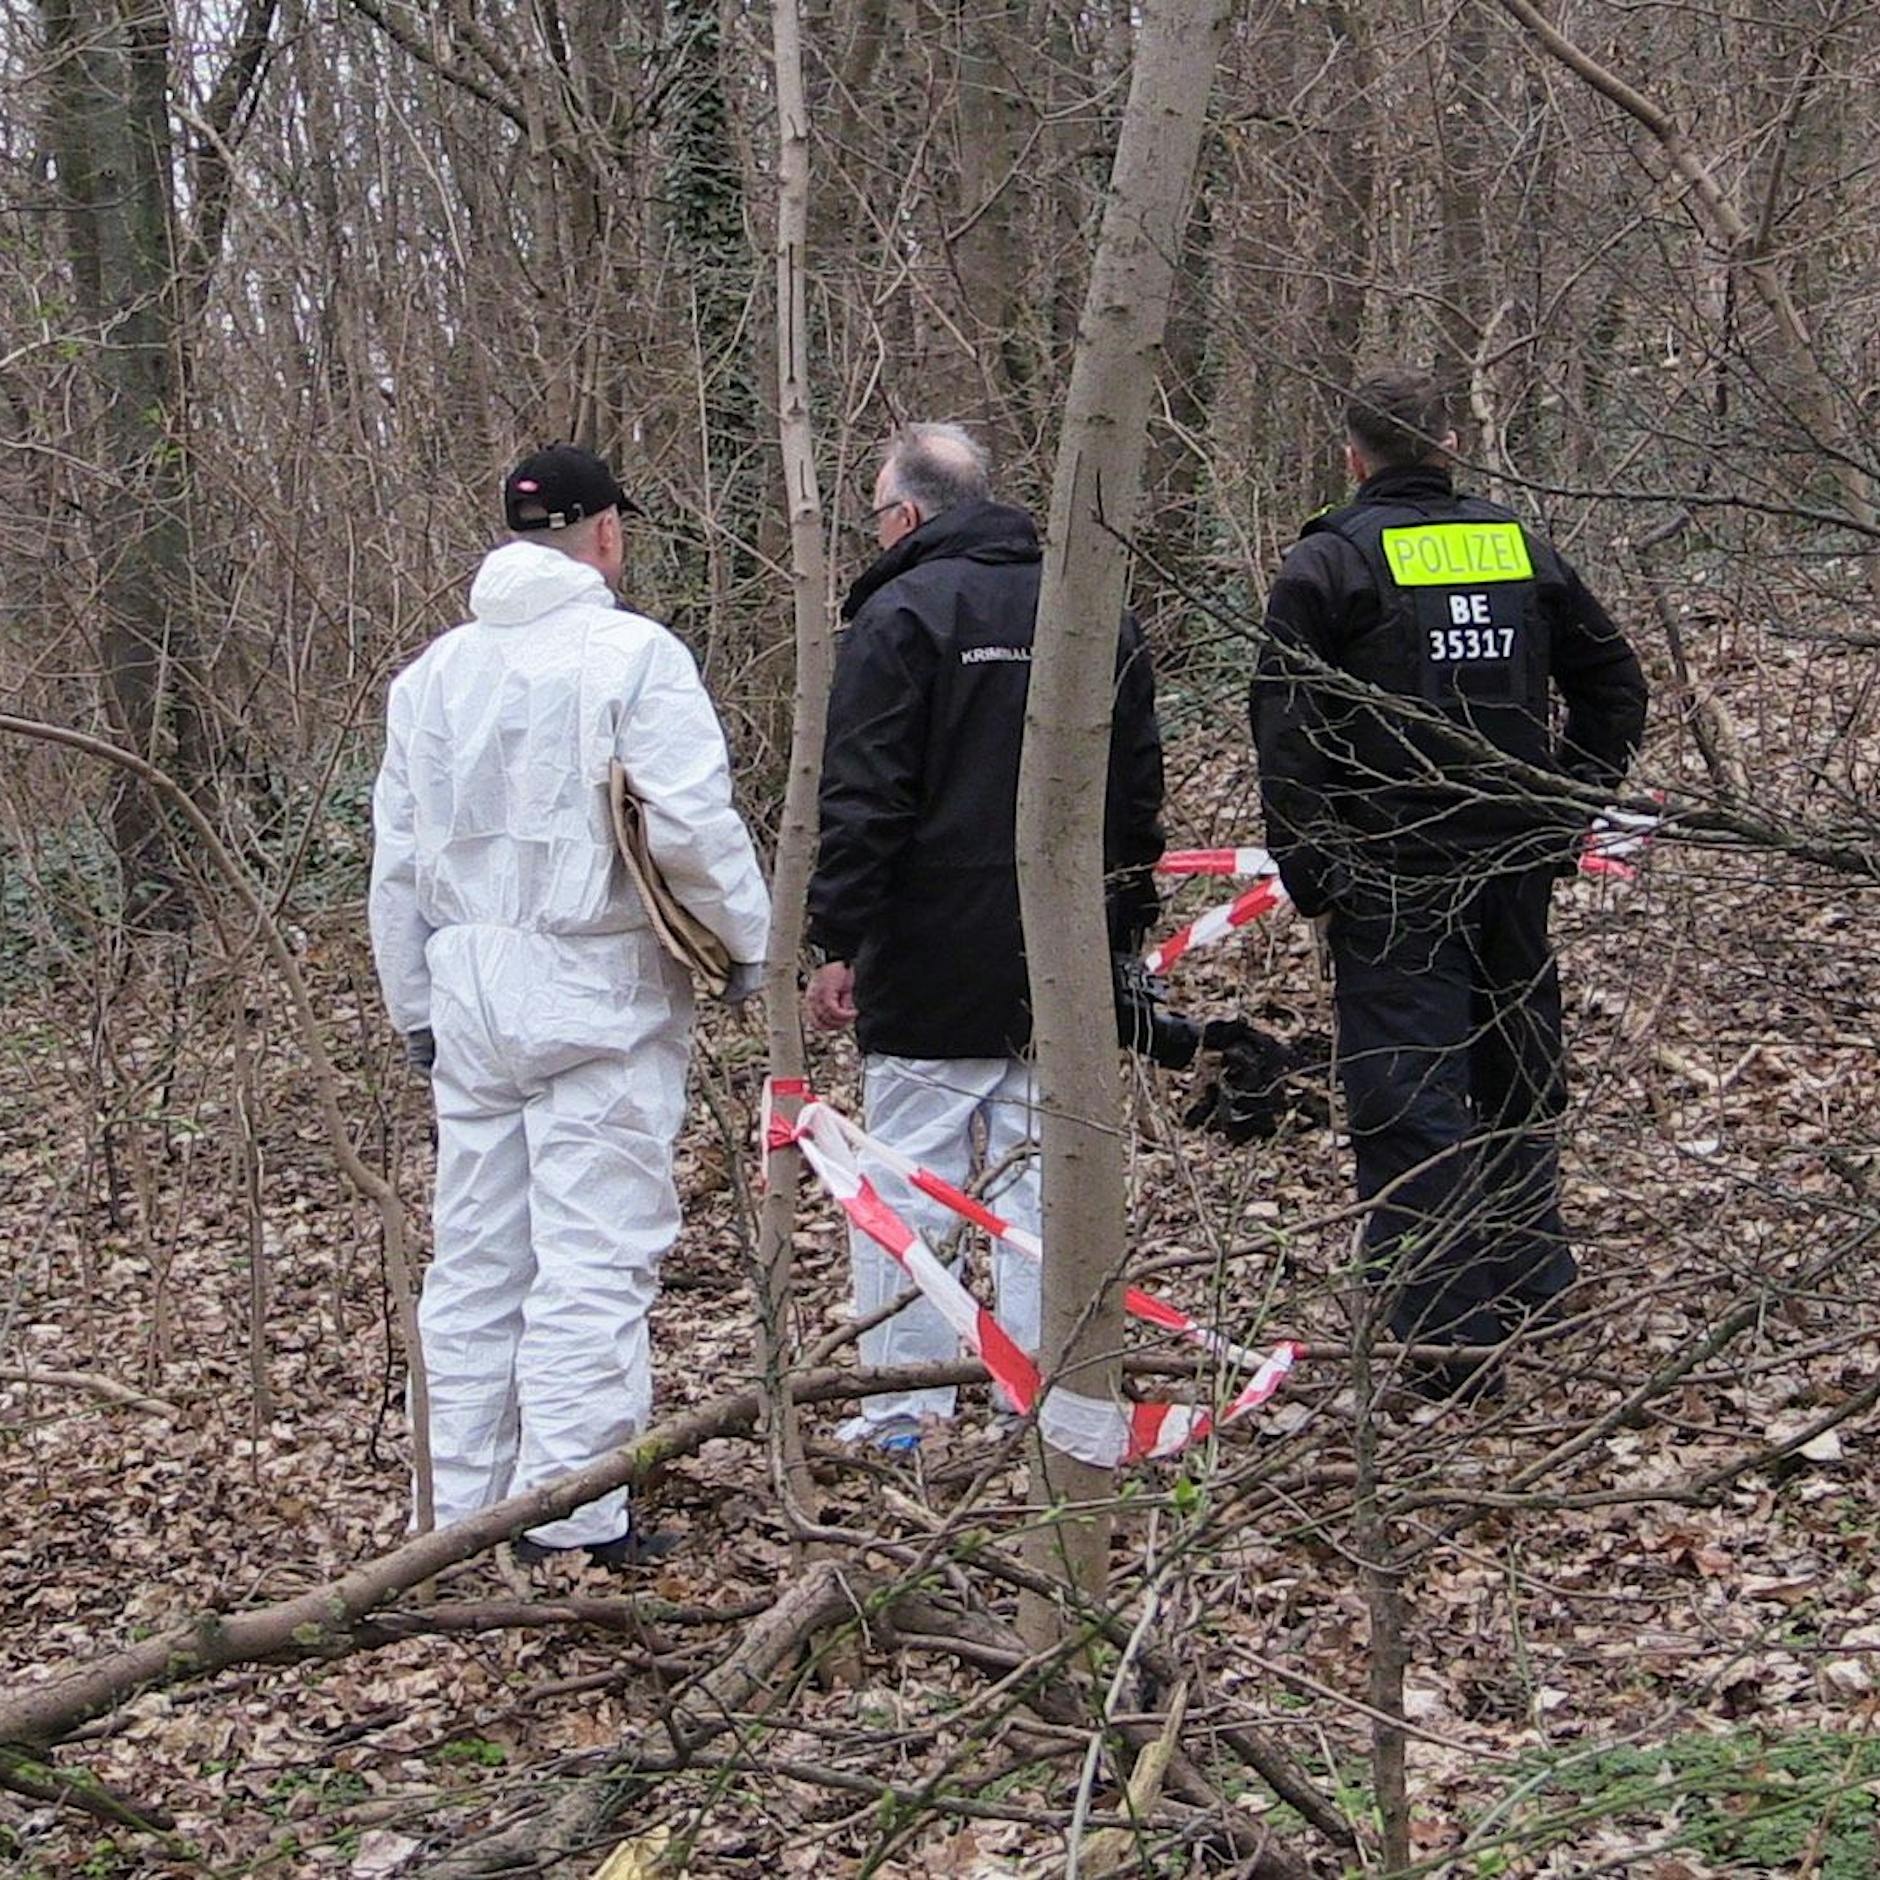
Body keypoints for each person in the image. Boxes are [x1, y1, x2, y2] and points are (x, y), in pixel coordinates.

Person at [369, 443, 770, 1561]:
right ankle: (573, 1517)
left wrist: (413, 1001)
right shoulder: (630, 655)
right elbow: (688, 821)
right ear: (603, 532)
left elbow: (395, 861)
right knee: (593, 1255)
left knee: (478, 1259)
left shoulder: (431, 676)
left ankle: (455, 1509)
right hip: (595, 983)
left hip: (467, 988)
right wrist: (747, 940)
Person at [1252, 368, 1647, 1390]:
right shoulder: (1517, 548)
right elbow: (1615, 685)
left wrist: (1317, 870)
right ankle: (1526, 1285)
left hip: (1394, 876)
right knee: (1515, 1069)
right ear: (1448, 443)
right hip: (1510, 862)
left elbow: (1283, 735)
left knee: (1409, 1094)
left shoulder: (1325, 563)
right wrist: (1565, 804)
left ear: (1353, 456)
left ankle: (1447, 1346)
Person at [804, 422, 1165, 1449]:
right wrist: (1121, 927)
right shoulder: (1087, 608)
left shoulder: (899, 613)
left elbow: (865, 792)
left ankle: (903, 1408)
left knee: (903, 1179)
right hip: (1063, 948)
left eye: (877, 516)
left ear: (906, 515)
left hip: (925, 944)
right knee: (1039, 1179)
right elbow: (1136, 788)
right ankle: (1039, 1402)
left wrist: (838, 937)